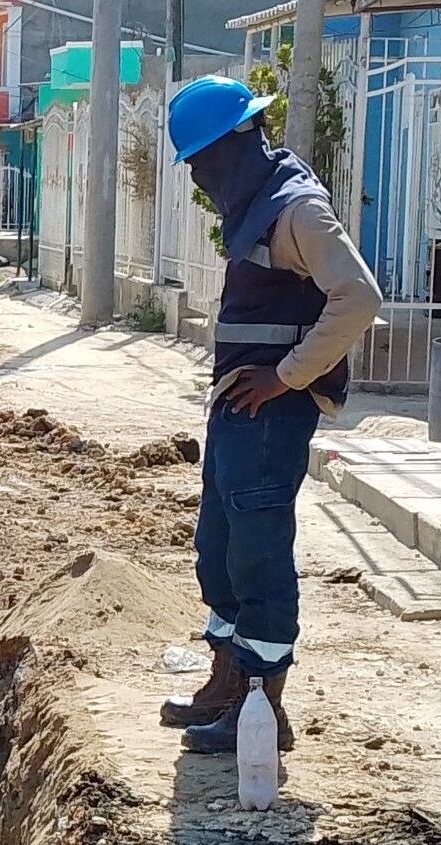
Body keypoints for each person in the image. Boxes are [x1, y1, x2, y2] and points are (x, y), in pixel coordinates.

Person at [156, 77, 384, 756]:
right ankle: (225, 687)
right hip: (237, 407)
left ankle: (261, 709)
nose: (197, 175)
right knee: (220, 553)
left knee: (258, 557)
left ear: (234, 144)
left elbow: (358, 298)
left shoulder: (297, 211)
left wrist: (286, 378)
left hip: (269, 415)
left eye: (201, 160)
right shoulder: (260, 202)